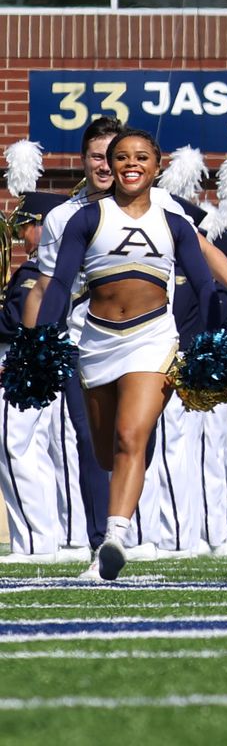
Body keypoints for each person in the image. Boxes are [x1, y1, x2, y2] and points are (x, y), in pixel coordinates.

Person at [29, 130, 220, 582]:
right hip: (96, 342)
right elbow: (58, 284)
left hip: (153, 339)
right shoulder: (86, 219)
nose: (130, 164)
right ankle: (111, 529)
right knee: (104, 449)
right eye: (120, 157)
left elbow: (205, 281)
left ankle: (113, 539)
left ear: (157, 166)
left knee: (133, 434)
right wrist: (40, 341)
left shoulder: (173, 222)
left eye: (140, 157)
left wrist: (211, 340)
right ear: (109, 166)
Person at [0, 191, 82, 563]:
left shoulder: (36, 273)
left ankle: (34, 541)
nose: (24, 234)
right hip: (34, 367)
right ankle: (43, 540)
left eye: (29, 226)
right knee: (35, 452)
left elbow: (15, 322)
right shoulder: (37, 270)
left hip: (21, 367)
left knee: (16, 448)